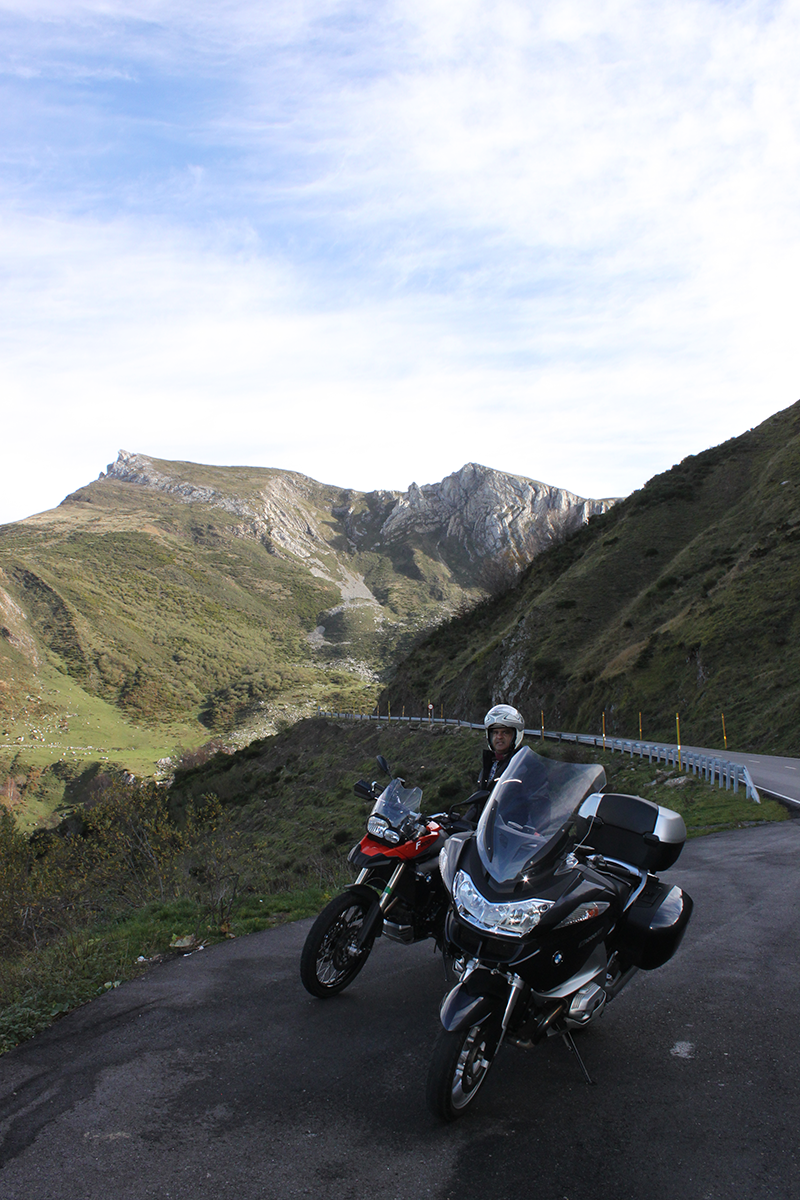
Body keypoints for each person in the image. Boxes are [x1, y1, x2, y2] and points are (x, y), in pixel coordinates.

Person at [477, 704, 526, 791]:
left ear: (516, 735)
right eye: (495, 732)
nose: (499, 737)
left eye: (505, 732)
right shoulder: (490, 764)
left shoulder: (526, 766)